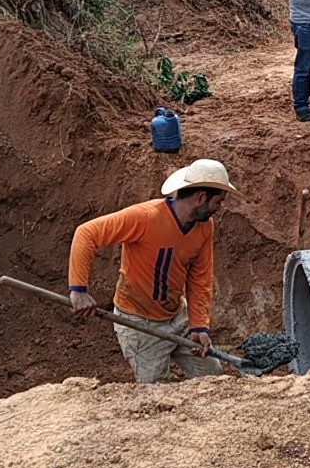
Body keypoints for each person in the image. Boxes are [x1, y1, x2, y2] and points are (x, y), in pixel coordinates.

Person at [67, 158, 237, 383]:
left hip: (177, 317)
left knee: (212, 376)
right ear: (201, 198)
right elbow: (86, 233)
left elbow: (200, 277)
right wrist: (78, 290)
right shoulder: (145, 218)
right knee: (157, 392)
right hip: (140, 325)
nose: (219, 208)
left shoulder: (205, 227)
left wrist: (199, 325)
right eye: (219, 202)